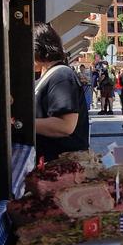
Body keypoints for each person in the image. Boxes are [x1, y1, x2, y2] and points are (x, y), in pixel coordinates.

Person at [33, 23, 90, 161]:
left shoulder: (61, 76)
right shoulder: (48, 76)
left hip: (63, 165)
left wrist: (22, 124)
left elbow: (65, 126)